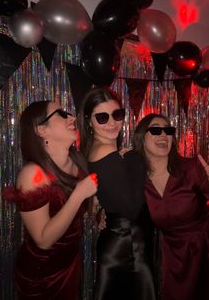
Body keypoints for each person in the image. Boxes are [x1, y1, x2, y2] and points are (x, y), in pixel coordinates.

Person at [3, 100, 98, 300]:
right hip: (42, 275)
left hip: (70, 263)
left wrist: (98, 211)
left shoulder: (77, 161)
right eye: (62, 114)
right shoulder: (33, 175)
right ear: (41, 130)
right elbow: (43, 240)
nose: (72, 118)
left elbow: (78, 211)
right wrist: (79, 194)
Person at [133, 113, 209, 300]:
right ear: (141, 137)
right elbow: (124, 207)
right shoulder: (138, 180)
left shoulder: (191, 168)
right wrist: (101, 216)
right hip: (176, 253)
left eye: (168, 130)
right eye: (156, 130)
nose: (164, 135)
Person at [78, 87, 156, 300]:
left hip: (124, 240)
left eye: (117, 114)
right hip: (126, 246)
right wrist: (134, 159)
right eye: (102, 117)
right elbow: (131, 207)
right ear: (89, 121)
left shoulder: (103, 150)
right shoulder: (106, 151)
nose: (112, 122)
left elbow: (111, 197)